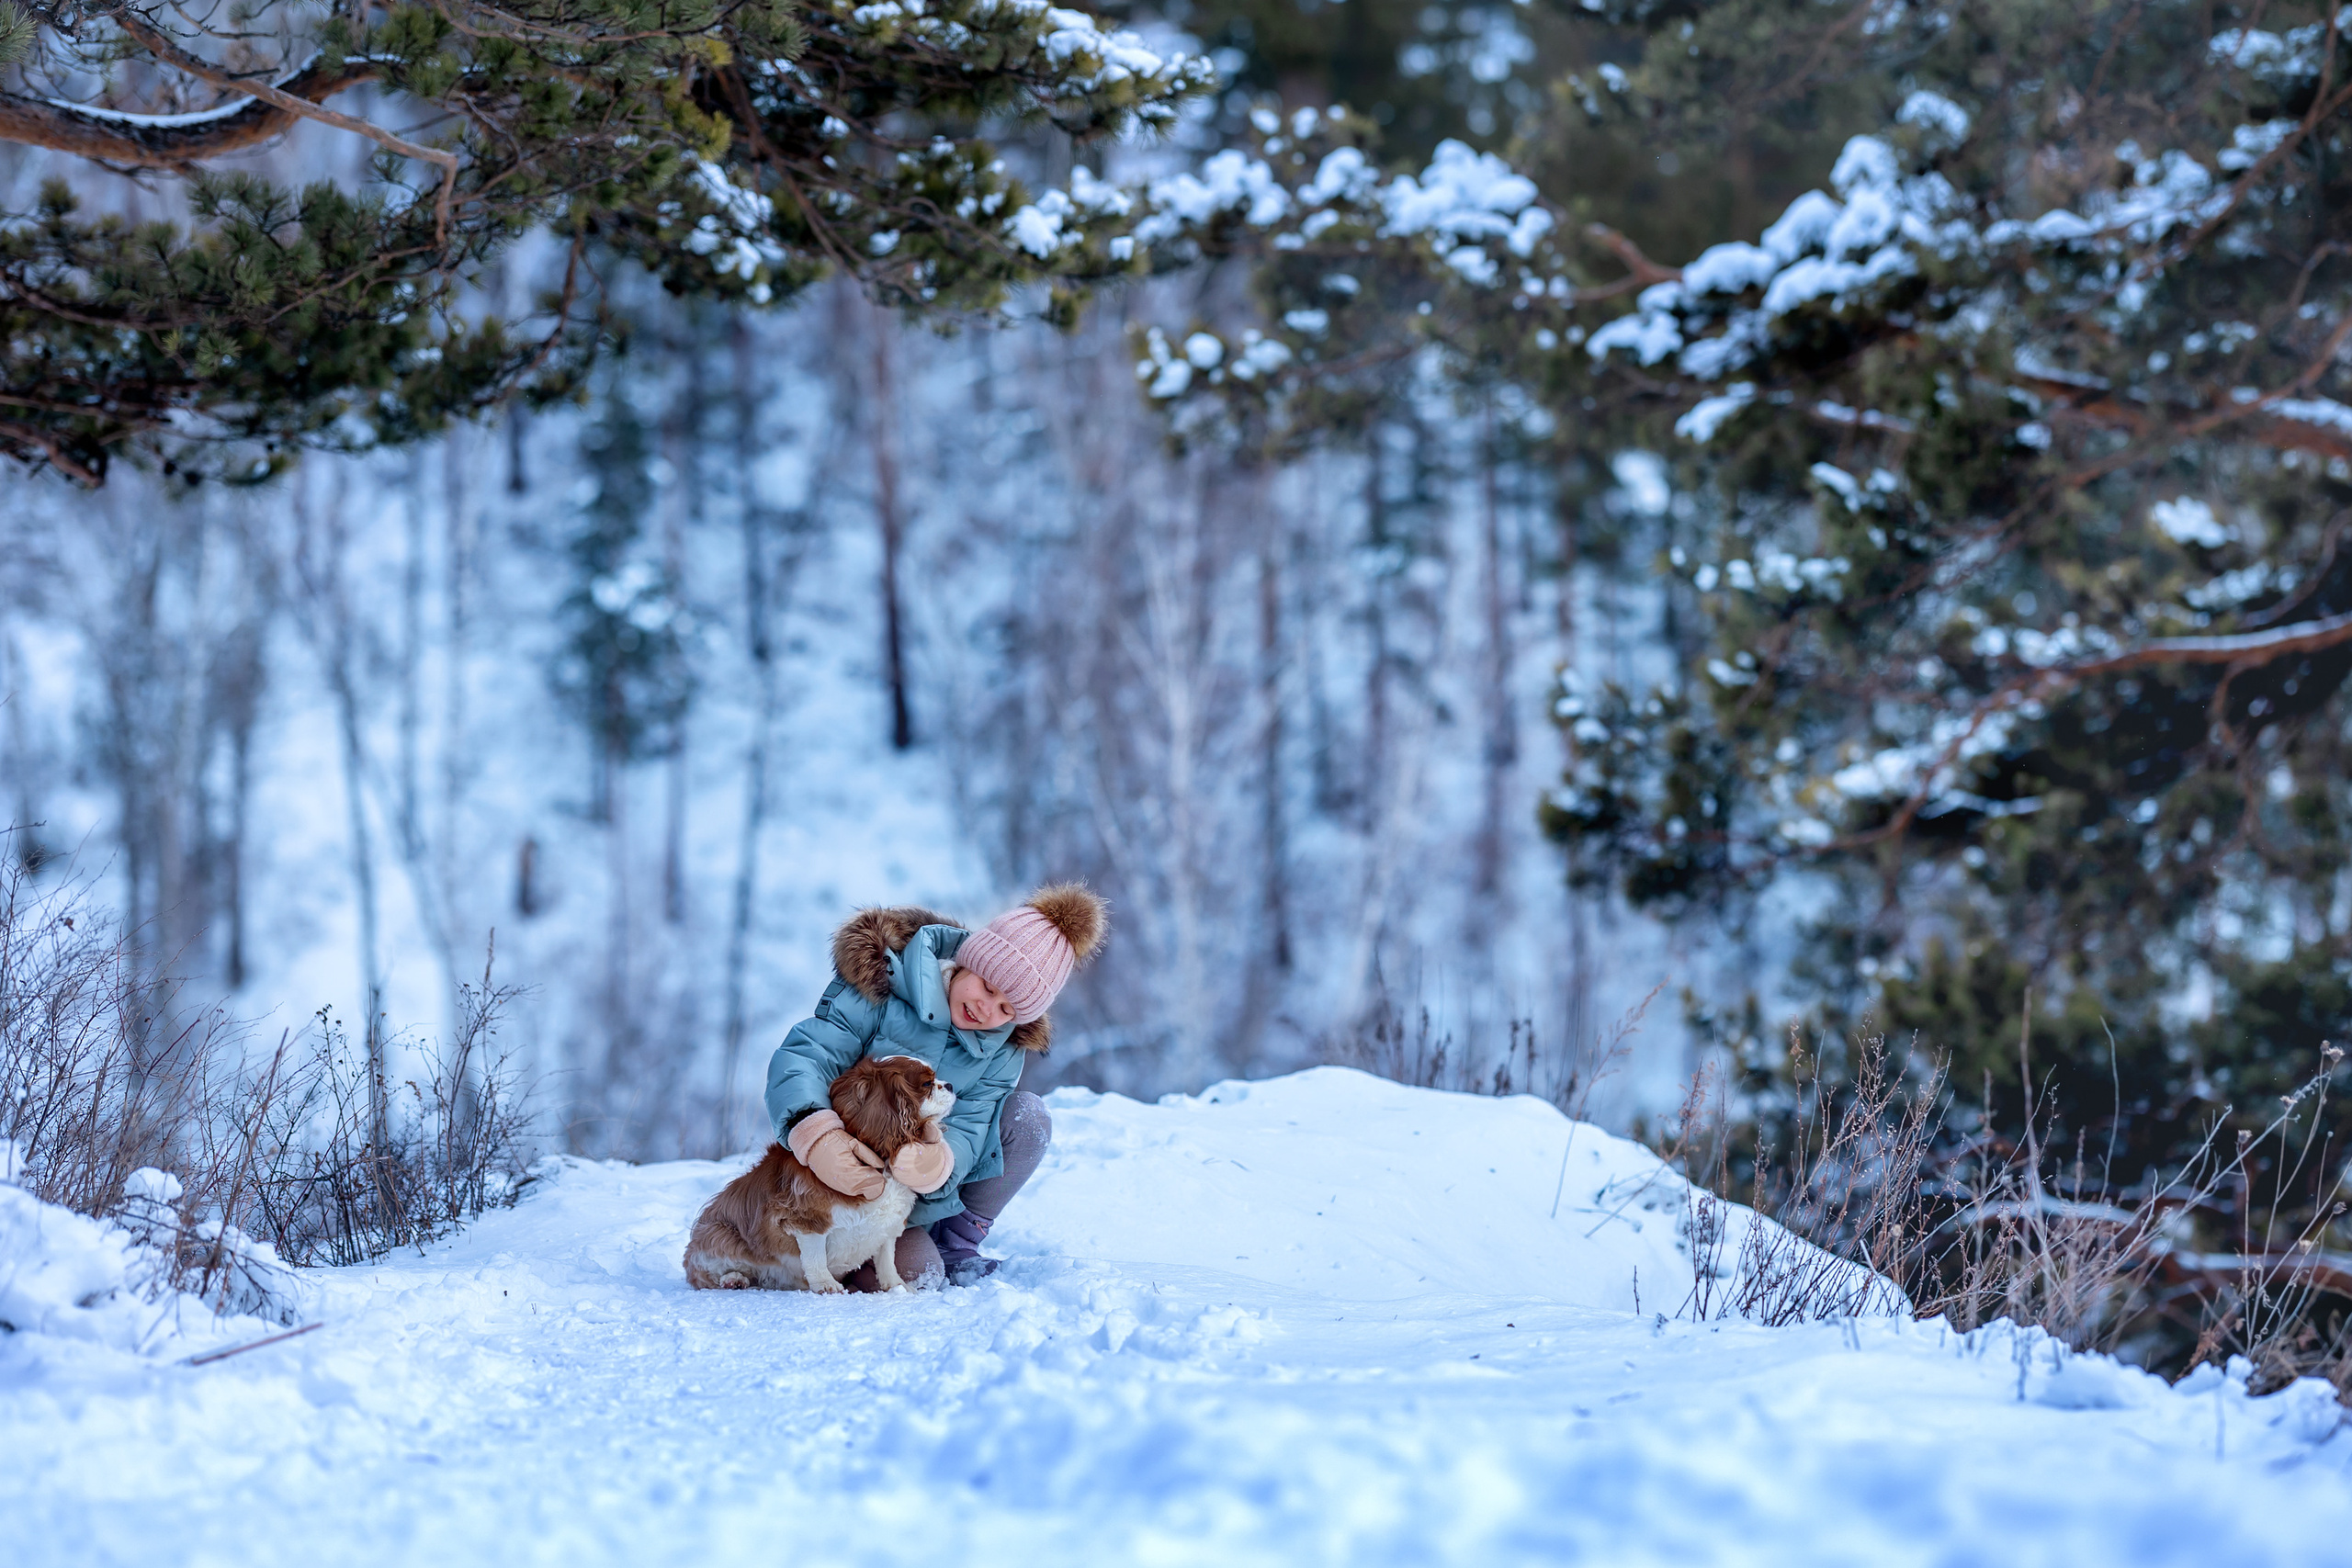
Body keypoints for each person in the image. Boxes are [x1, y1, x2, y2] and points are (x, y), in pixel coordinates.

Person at [763, 885, 1105, 1288]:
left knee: (1026, 1119)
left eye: (1007, 1009)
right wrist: (815, 1133)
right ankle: (828, 1254)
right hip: (841, 1174)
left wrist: (940, 1163)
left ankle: (955, 1242)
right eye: (987, 987)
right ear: (967, 960)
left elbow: (973, 1125)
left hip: (908, 1198)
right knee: (910, 1273)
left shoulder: (1003, 1047)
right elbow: (808, 1055)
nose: (986, 1009)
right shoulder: (886, 984)